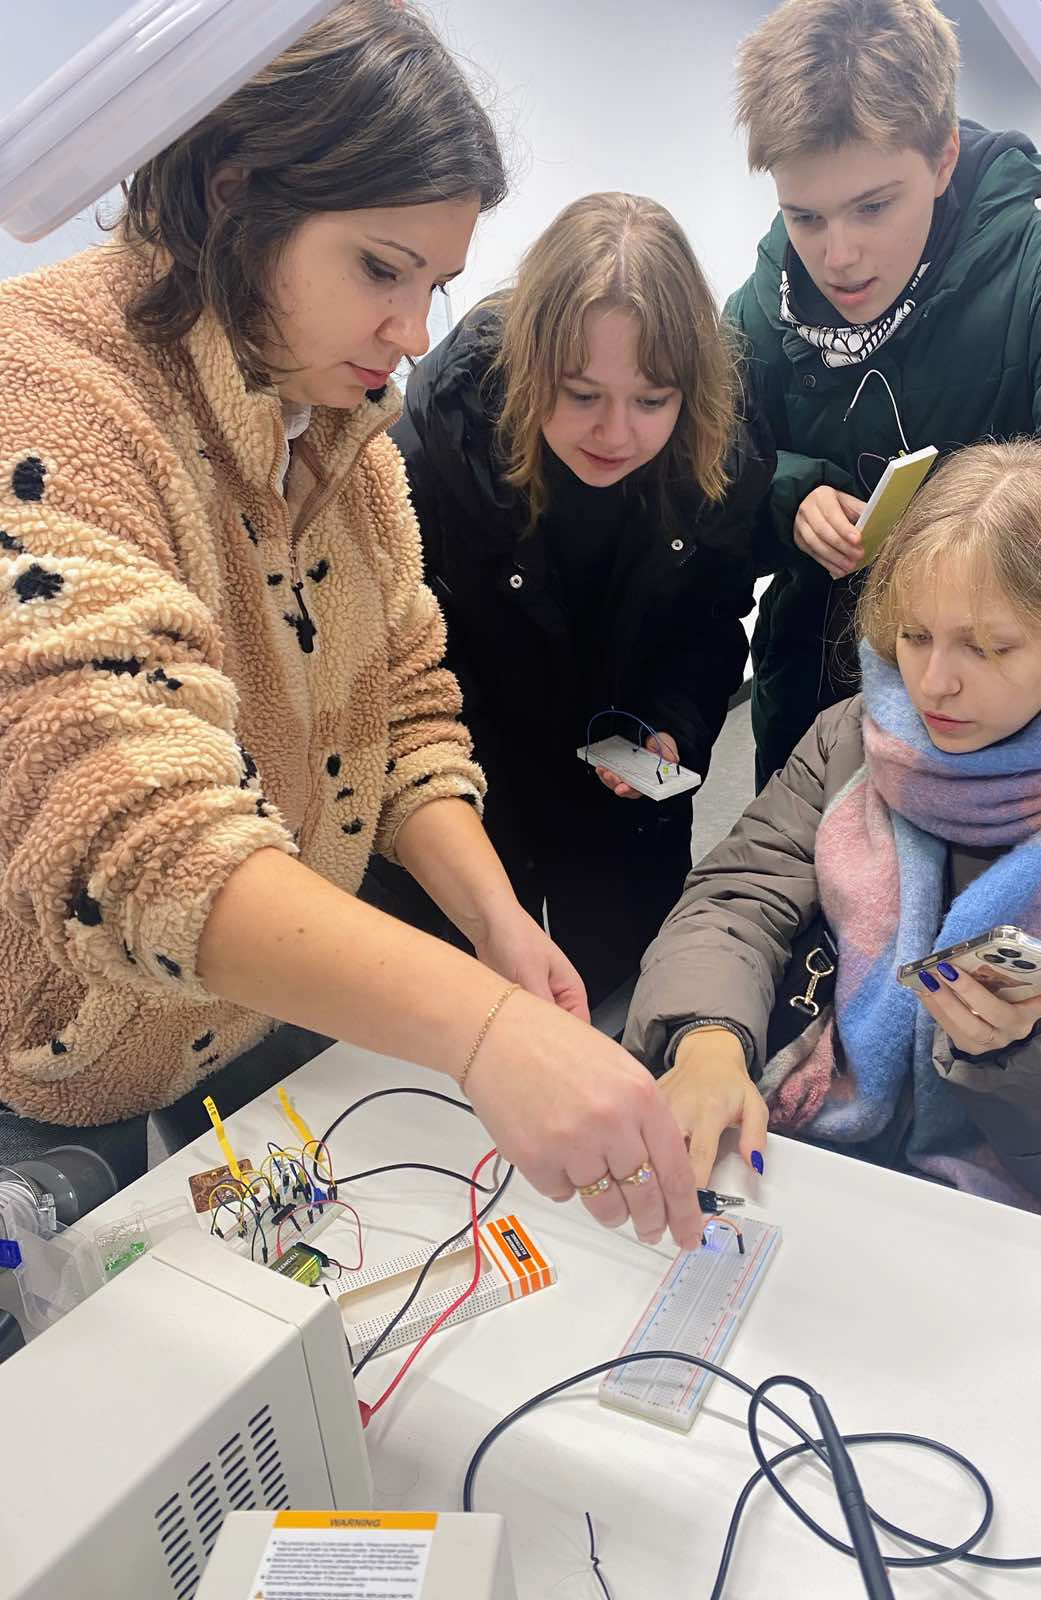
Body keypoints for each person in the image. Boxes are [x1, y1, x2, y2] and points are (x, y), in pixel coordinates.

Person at [0, 2, 703, 1253]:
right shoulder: (47, 391)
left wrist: (494, 923)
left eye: (434, 285)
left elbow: (407, 713)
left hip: (263, 1028)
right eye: (381, 269)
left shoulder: (347, 445)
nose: (413, 333)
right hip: (59, 1074)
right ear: (237, 197)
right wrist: (484, 1029)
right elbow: (130, 823)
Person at [624, 439, 1041, 1260]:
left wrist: (1025, 1048)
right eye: (915, 634)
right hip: (800, 1158)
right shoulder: (854, 738)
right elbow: (737, 898)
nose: (932, 684)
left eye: (988, 647)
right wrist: (708, 1037)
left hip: (999, 1236)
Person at [726, 0, 1041, 787]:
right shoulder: (762, 306)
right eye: (805, 216)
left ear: (942, 158)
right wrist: (790, 497)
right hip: (813, 697)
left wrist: (954, 542)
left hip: (1009, 709)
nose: (838, 255)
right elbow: (711, 478)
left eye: (873, 206)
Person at [377, 193, 773, 1003]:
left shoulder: (721, 453)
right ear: (528, 365)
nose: (616, 433)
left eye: (653, 400)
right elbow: (398, 685)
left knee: (625, 994)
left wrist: (673, 723)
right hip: (464, 792)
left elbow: (709, 619)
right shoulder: (423, 457)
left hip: (622, 796)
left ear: (691, 390)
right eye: (582, 394)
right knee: (472, 1014)